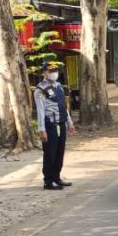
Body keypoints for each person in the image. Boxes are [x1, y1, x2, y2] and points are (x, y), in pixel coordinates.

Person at [34, 61, 76, 190]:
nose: (54, 73)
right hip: (49, 125)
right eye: (50, 71)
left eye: (55, 70)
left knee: (60, 152)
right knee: (50, 153)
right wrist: (42, 129)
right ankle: (48, 181)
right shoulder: (40, 90)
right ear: (44, 73)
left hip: (61, 123)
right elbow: (40, 111)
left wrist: (69, 122)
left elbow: (63, 106)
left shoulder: (59, 86)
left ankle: (56, 178)